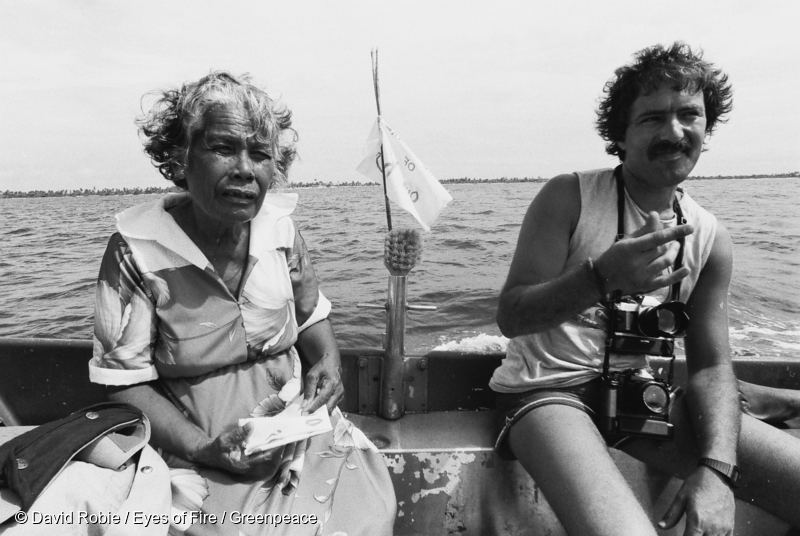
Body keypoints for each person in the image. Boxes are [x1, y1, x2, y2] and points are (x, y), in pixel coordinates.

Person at [491, 43, 800, 535]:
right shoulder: (568, 197)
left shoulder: (710, 237)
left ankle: (768, 403)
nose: (674, 132)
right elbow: (511, 315)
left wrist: (717, 471)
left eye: (689, 115)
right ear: (620, 135)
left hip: (643, 396)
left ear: (706, 126)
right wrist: (600, 278)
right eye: (652, 118)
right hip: (546, 391)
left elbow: (712, 366)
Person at [89, 71, 396, 535]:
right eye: (223, 147)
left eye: (260, 154)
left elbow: (311, 317)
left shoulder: (281, 232)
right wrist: (204, 448)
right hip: (193, 442)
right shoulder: (136, 250)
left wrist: (329, 362)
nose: (245, 169)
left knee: (363, 518)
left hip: (299, 427)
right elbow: (123, 384)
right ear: (179, 156)